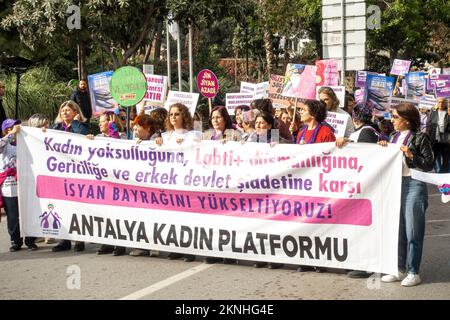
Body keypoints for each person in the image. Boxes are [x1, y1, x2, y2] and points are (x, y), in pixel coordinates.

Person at [379, 103, 434, 287]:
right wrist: (383, 147)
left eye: (395, 117)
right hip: (396, 185)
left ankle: (413, 271)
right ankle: (399, 269)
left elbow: (429, 164)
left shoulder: (420, 137)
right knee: (398, 229)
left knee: (412, 230)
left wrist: (411, 155)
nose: (391, 120)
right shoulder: (394, 137)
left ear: (407, 120)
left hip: (414, 184)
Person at [335, 102, 379, 278]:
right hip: (360, 186)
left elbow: (363, 157)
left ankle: (364, 265)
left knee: (362, 225)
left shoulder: (367, 132)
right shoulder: (368, 131)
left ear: (354, 118)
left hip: (363, 186)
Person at [295, 100, 335, 273]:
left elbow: (331, 156)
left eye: (304, 110)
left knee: (319, 222)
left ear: (313, 114)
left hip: (320, 182)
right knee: (304, 221)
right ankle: (305, 258)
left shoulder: (326, 132)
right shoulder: (301, 132)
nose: (300, 112)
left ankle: (321, 260)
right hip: (304, 183)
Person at [155, 103, 197, 262]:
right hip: (171, 182)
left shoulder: (194, 135)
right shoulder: (164, 137)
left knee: (187, 218)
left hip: (187, 181)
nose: (173, 117)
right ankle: (176, 248)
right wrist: (156, 141)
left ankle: (189, 250)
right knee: (173, 217)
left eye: (177, 114)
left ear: (184, 116)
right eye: (171, 114)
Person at [51, 101, 90, 252]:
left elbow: (83, 136)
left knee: (78, 207)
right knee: (63, 207)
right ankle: (64, 240)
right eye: (63, 111)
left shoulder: (81, 126)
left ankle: (79, 240)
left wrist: (75, 123)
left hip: (77, 173)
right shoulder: (55, 128)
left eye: (68, 110)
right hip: (60, 174)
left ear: (75, 112)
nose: (65, 113)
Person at [87, 112, 127, 256]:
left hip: (118, 182)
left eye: (103, 121)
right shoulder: (97, 139)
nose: (99, 124)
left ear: (111, 122)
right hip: (102, 183)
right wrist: (89, 140)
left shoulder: (122, 138)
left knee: (118, 213)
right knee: (104, 213)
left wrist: (114, 134)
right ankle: (107, 243)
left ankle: (120, 244)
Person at [1, 119, 37, 252]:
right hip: (9, 186)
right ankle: (15, 241)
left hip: (25, 183)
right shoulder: (5, 144)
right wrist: (11, 135)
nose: (16, 128)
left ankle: (30, 240)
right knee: (13, 215)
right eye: (11, 127)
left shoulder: (25, 142)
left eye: (17, 126)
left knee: (28, 213)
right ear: (6, 130)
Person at [27, 114, 55, 245]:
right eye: (43, 125)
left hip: (48, 175)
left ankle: (49, 234)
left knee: (49, 205)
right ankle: (37, 233)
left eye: (47, 124)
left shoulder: (52, 135)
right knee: (36, 205)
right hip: (33, 176)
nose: (46, 127)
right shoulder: (27, 138)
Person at [426, 98, 450, 173]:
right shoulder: (433, 111)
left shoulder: (448, 111)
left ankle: (442, 176)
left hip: (446, 140)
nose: (441, 104)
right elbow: (429, 124)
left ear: (446, 103)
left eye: (443, 102)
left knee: (446, 160)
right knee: (432, 157)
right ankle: (432, 172)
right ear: (437, 103)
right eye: (439, 102)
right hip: (434, 139)